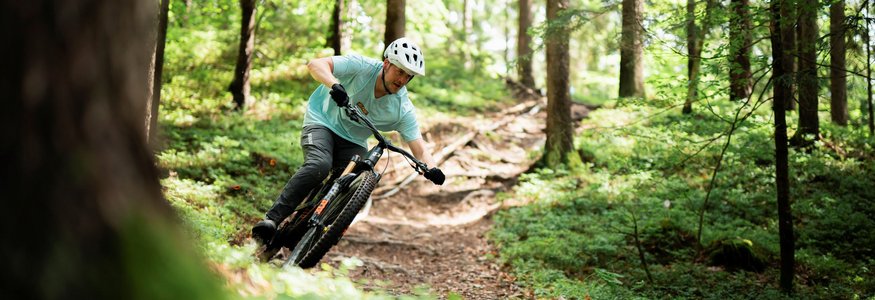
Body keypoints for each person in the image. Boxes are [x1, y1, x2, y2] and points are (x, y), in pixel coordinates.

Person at [252, 37, 445, 244]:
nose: (402, 79)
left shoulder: (402, 109)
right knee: (319, 165)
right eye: (400, 71)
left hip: (353, 141)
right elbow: (316, 64)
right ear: (387, 64)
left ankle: (312, 232)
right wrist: (334, 85)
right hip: (321, 121)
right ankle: (271, 220)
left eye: (408, 76)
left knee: (354, 184)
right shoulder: (362, 67)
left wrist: (432, 169)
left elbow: (420, 148)